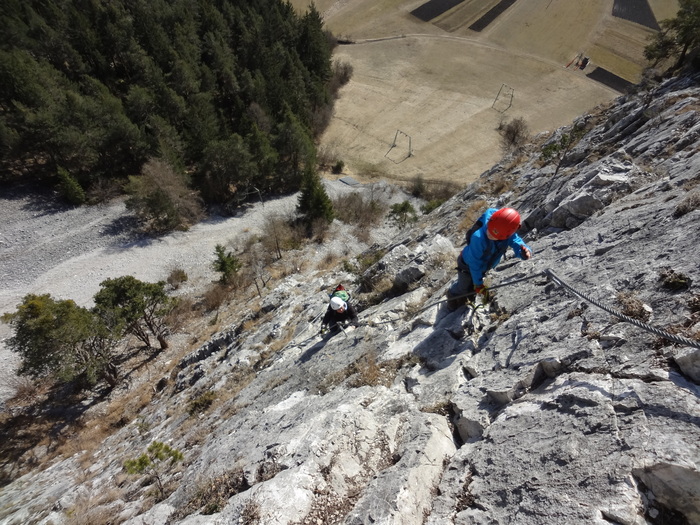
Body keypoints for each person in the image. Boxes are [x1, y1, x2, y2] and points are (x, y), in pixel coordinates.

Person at [446, 207, 532, 311]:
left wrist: (524, 252)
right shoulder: (479, 237)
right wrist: (478, 284)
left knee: (471, 288)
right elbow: (475, 263)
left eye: (494, 235)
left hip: (483, 266)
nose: (489, 234)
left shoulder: (506, 232)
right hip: (467, 265)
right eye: (489, 229)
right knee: (463, 287)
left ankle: (466, 297)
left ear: (505, 236)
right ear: (491, 221)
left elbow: (517, 243)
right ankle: (451, 295)